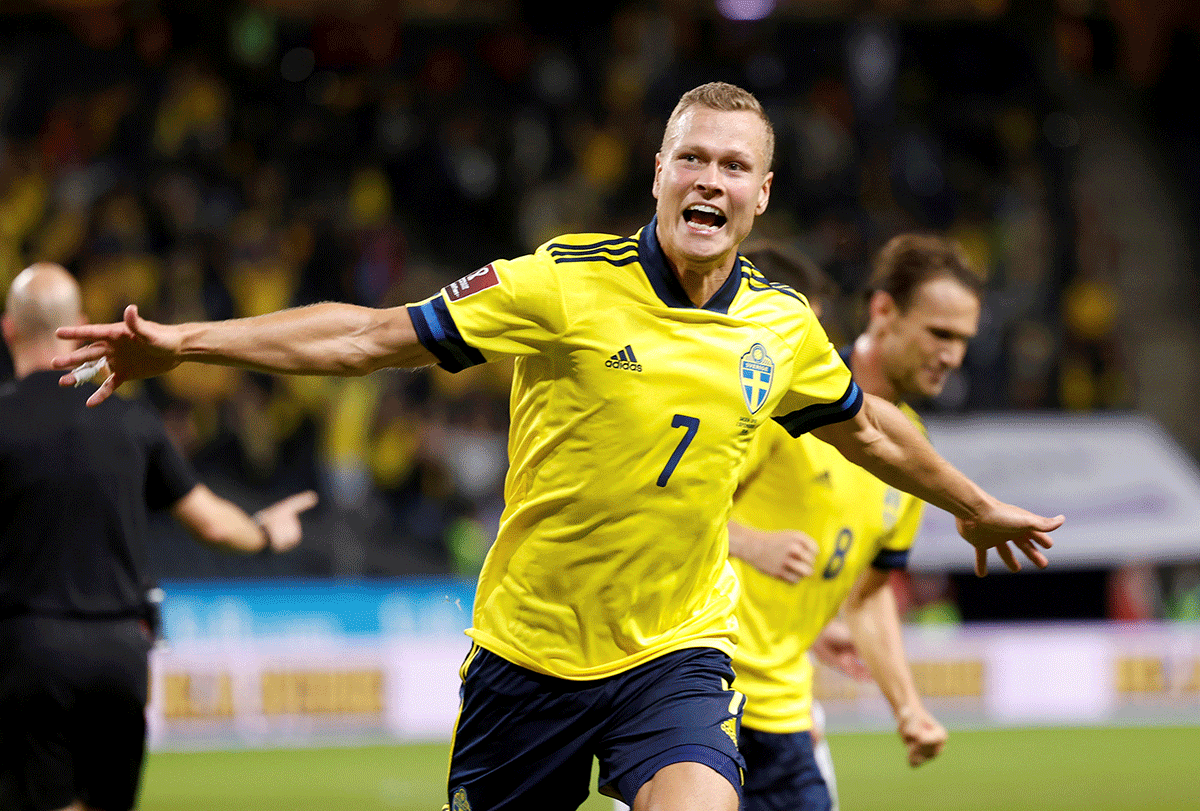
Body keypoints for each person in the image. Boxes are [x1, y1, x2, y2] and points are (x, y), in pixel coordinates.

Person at [51, 83, 1061, 811]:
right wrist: (183, 343)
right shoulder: (559, 284)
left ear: (761, 194)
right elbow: (368, 334)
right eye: (693, 157)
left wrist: (970, 502)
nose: (710, 178)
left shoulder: (783, 326)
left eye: (734, 165)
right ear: (660, 173)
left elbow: (869, 430)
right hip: (527, 653)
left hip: (675, 649)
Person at [0, 263, 318, 811]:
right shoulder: (134, 424)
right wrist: (266, 532)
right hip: (121, 654)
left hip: (30, 651)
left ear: (8, 328)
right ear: (78, 324)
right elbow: (214, 524)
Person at [730, 234, 983, 811]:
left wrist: (907, 706)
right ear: (883, 311)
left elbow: (869, 596)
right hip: (698, 701)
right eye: (940, 334)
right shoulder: (783, 394)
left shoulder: (912, 450)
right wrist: (750, 543)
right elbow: (673, 510)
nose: (953, 356)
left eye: (964, 341)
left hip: (786, 714)